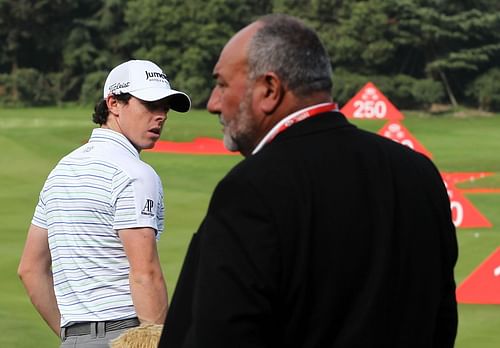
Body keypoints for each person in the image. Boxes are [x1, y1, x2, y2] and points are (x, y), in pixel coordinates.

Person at [158, 14, 458, 348]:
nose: (213, 102)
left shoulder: (252, 189)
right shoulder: (418, 173)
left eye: (222, 84)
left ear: (269, 89)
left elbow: (220, 334)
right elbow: (442, 322)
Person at [18, 59, 191, 348]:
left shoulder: (61, 170)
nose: (161, 116)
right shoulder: (135, 174)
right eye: (150, 104)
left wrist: (72, 336)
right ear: (113, 103)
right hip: (127, 337)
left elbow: (30, 269)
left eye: (165, 107)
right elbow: (145, 273)